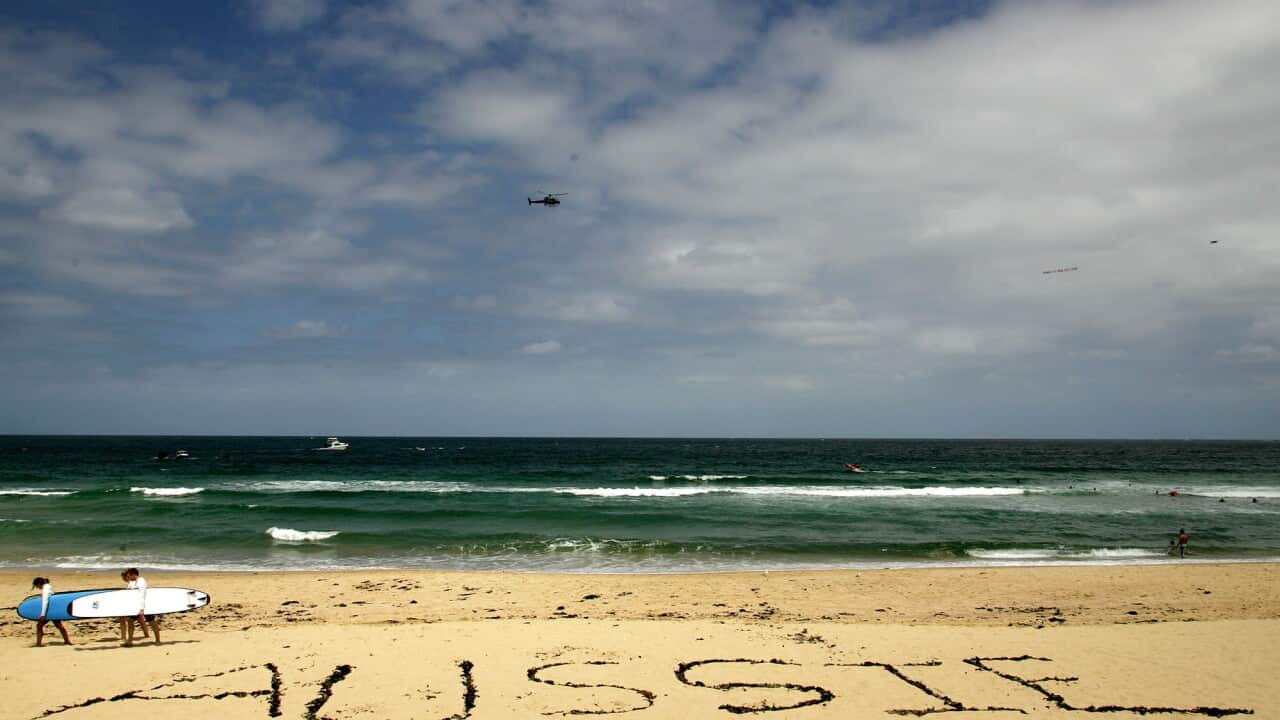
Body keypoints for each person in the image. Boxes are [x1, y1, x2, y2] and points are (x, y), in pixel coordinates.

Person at [123, 568, 160, 646]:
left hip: (145, 606)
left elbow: (142, 595)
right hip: (136, 605)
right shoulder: (133, 582)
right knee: (130, 621)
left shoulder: (141, 581)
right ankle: (130, 641)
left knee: (152, 622)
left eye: (129, 575)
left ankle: (158, 640)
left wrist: (141, 609)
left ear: (133, 574)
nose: (128, 577)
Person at [31, 577, 71, 647]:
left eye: (36, 586)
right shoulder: (48, 587)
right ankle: (67, 641)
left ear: (39, 584)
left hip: (49, 611)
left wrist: (43, 614)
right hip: (53, 610)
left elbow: (45, 601)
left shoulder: (45, 589)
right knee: (59, 626)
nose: (37, 588)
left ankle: (38, 644)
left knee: (39, 625)